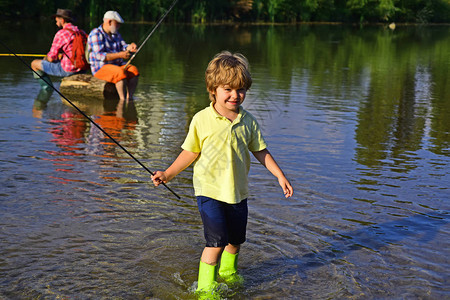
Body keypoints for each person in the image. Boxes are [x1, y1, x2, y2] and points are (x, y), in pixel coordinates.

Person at [151, 51, 294, 297]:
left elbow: (261, 151)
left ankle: (228, 275)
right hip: (210, 192)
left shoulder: (247, 121)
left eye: (240, 90)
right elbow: (189, 153)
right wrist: (168, 173)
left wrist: (280, 175)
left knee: (235, 242)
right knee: (215, 244)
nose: (235, 95)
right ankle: (206, 290)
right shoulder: (202, 119)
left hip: (237, 193)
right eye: (228, 89)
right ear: (213, 89)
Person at [87, 11, 139, 101]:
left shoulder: (116, 34)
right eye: (117, 24)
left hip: (116, 66)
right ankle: (122, 101)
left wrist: (130, 47)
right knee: (119, 73)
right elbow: (100, 56)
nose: (119, 26)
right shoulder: (96, 33)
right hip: (100, 68)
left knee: (134, 71)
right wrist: (120, 55)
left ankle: (129, 98)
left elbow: (123, 46)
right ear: (109, 22)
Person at [31, 9, 87, 90]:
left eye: (57, 19)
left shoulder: (61, 33)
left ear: (62, 20)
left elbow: (50, 58)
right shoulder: (81, 32)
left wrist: (45, 58)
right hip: (82, 68)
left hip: (69, 70)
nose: (56, 21)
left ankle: (47, 89)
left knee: (34, 64)